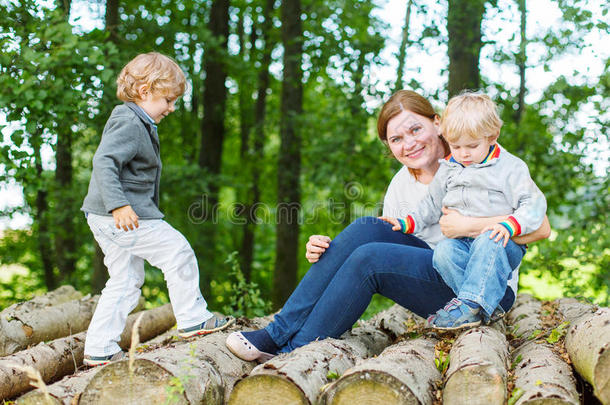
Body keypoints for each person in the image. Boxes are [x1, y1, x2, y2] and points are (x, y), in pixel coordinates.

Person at [225, 90, 550, 362]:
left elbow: (541, 227)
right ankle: (278, 332)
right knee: (368, 228)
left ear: (438, 124)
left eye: (415, 129)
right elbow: (389, 243)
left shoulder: (483, 157)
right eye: (396, 138)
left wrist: (469, 225)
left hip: (484, 287)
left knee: (371, 260)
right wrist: (328, 252)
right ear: (389, 147)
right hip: (438, 274)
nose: (409, 143)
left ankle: (294, 350)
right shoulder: (401, 185)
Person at [81, 52, 233, 367]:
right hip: (119, 214)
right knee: (177, 250)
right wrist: (119, 204)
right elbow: (104, 162)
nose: (172, 108)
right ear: (145, 91)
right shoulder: (128, 120)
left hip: (105, 216)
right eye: (168, 99)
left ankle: (99, 348)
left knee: (124, 279)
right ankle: (192, 317)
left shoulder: (140, 121)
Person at [380, 92, 546, 330]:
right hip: (463, 245)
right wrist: (409, 222)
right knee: (444, 251)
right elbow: (431, 203)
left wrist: (510, 225)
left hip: (499, 244)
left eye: (472, 146)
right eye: (456, 146)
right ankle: (480, 308)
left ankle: (469, 306)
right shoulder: (449, 168)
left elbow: (534, 204)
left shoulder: (510, 168)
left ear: (492, 136)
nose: (464, 153)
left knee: (488, 239)